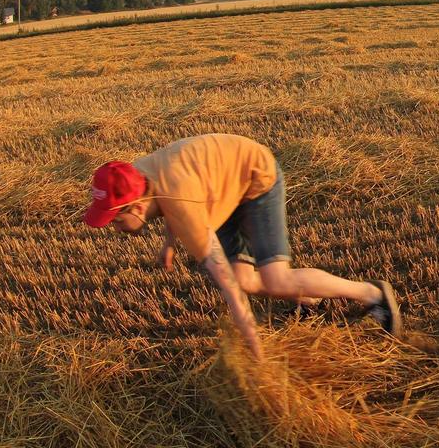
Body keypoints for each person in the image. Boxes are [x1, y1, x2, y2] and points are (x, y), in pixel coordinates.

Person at [82, 133, 402, 360]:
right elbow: (164, 200)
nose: (112, 225)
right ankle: (310, 298)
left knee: (275, 279)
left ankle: (373, 293)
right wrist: (168, 245)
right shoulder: (135, 176)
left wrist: (258, 356)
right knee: (248, 280)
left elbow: (228, 291)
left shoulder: (183, 207)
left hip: (254, 177)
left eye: (114, 218)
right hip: (222, 186)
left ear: (135, 208)